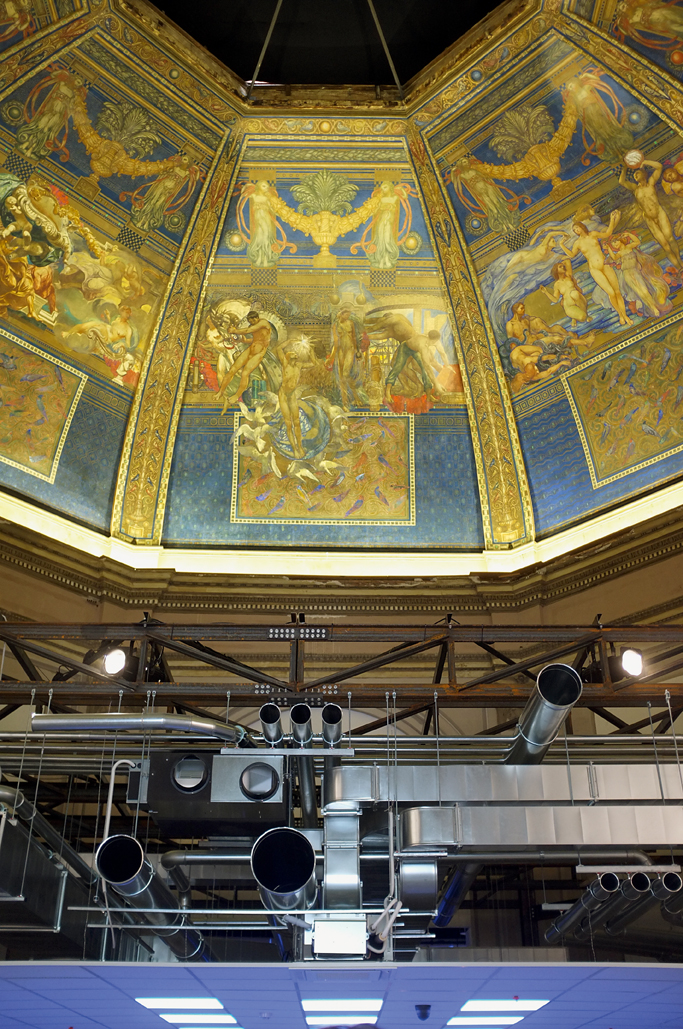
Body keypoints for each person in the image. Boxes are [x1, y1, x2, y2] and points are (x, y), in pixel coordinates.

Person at [558, 213, 633, 326]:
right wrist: (561, 244)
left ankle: (625, 315)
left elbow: (608, 233)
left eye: (577, 227)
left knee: (617, 291)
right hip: (595, 269)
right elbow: (572, 255)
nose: (576, 230)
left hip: (605, 264)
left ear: (582, 226)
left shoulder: (593, 234)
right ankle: (621, 315)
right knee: (611, 292)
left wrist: (612, 219)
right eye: (574, 229)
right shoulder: (577, 243)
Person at [619, 158, 682, 269]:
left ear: (644, 174)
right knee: (665, 246)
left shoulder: (651, 183)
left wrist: (644, 162)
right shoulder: (635, 189)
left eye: (637, 173)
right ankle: (679, 267)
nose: (635, 176)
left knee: (670, 239)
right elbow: (621, 182)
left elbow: (659, 167)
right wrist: (624, 167)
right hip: (649, 219)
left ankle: (680, 262)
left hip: (659, 213)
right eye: (634, 176)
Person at [215, 310, 273, 412]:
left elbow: (247, 331)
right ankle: (221, 391)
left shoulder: (264, 323)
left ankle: (236, 396)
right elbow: (255, 338)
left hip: (259, 353)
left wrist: (234, 331)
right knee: (232, 369)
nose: (253, 322)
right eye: (251, 321)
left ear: (257, 318)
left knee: (245, 373)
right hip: (250, 349)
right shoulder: (254, 326)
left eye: (254, 319)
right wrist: (242, 340)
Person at [275, 338, 319, 459]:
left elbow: (314, 363)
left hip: (292, 395)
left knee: (297, 422)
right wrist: (289, 341)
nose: (296, 355)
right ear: (289, 358)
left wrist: (311, 351)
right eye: (293, 355)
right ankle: (294, 448)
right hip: (283, 395)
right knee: (288, 423)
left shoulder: (299, 366)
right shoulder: (285, 364)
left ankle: (299, 446)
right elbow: (279, 348)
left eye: (296, 355)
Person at [328, 308, 365, 409]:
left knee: (345, 374)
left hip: (350, 349)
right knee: (341, 377)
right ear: (341, 314)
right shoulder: (335, 325)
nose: (347, 316)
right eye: (346, 315)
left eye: (349, 315)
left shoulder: (351, 323)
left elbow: (354, 337)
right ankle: (345, 402)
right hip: (340, 350)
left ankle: (355, 396)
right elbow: (336, 342)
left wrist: (357, 350)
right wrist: (331, 357)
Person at [541, 259, 589, 327]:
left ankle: (586, 314)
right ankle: (575, 317)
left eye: (563, 266)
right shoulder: (556, 285)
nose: (563, 267)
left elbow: (567, 261)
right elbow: (555, 299)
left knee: (574, 294)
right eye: (560, 267)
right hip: (569, 305)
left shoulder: (569, 276)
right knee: (582, 318)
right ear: (556, 271)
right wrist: (545, 292)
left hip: (579, 299)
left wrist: (559, 263)